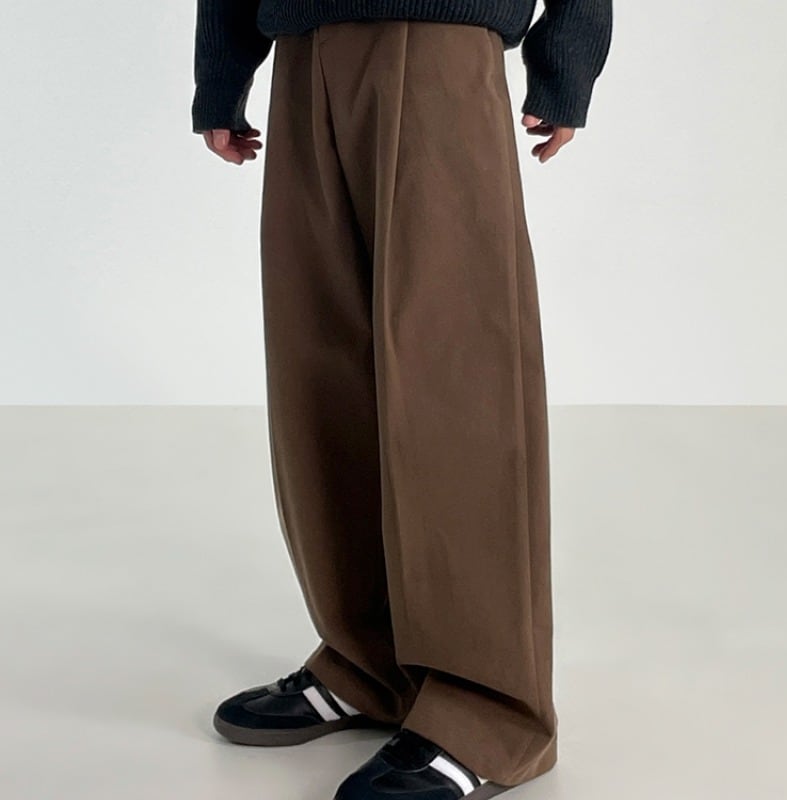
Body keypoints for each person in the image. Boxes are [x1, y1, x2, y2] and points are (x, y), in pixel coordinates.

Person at [191, 2, 612, 798]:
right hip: (302, 49)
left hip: (440, 42)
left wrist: (567, 60)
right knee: (320, 366)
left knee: (454, 376)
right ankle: (368, 664)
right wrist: (222, 72)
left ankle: (490, 710)